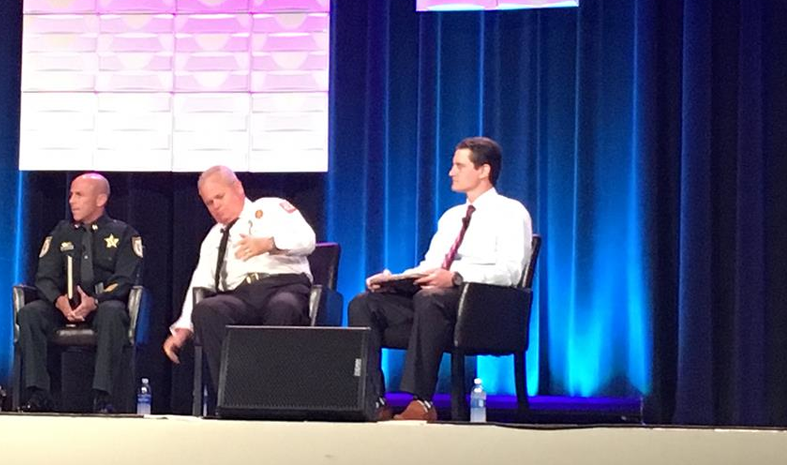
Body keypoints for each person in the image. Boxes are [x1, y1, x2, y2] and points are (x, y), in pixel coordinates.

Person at [348, 136, 534, 421]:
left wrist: (457, 278)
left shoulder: (510, 212)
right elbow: (431, 265)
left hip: (483, 306)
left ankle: (421, 401)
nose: (451, 172)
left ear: (483, 170)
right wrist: (395, 279)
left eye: (459, 166)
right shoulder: (452, 216)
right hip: (436, 304)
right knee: (365, 303)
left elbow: (511, 272)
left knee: (430, 298)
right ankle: (373, 398)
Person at [163, 165, 317, 407]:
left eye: (219, 197)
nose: (216, 207)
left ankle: (274, 401)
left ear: (238, 188)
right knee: (207, 310)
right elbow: (200, 280)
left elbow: (308, 240)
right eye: (209, 203)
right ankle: (230, 398)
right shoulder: (215, 236)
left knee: (282, 307)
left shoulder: (269, 208)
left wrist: (269, 244)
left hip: (283, 286)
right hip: (241, 297)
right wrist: (183, 328)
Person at [15, 173, 143, 414]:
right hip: (62, 305)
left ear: (100, 199)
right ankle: (38, 394)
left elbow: (125, 279)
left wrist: (95, 301)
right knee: (30, 314)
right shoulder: (61, 232)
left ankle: (103, 397)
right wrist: (59, 301)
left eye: (79, 195)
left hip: (102, 304)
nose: (72, 200)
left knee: (113, 313)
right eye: (71, 194)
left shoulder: (124, 233)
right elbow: (44, 277)